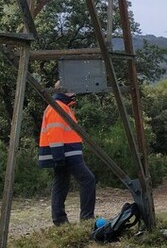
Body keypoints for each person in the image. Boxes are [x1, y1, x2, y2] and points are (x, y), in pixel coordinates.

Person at [38, 81, 96, 226]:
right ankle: (87, 219)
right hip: (67, 153)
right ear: (65, 91)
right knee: (88, 180)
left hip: (65, 153)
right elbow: (55, 133)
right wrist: (58, 157)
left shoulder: (60, 106)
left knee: (61, 184)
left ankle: (60, 221)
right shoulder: (58, 107)